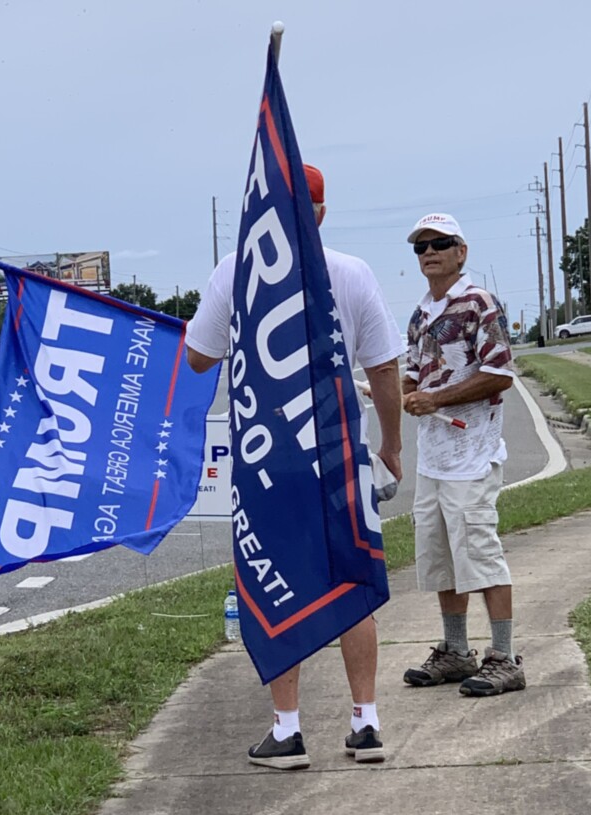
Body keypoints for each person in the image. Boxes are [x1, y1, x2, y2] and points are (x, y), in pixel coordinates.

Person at [185, 165, 404, 770]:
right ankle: (366, 722)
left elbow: (199, 357)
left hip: (267, 465)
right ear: (323, 213)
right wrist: (391, 445)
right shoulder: (353, 272)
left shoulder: (233, 271)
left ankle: (287, 729)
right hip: (338, 457)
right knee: (351, 582)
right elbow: (384, 369)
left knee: (273, 582)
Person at [400, 212, 525, 697]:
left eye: (440, 243)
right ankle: (455, 652)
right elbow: (413, 372)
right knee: (441, 556)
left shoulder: (478, 304)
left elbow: (500, 374)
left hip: (472, 454)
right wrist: (408, 392)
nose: (429, 252)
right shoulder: (419, 313)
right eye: (420, 246)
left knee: (480, 553)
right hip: (433, 457)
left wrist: (437, 399)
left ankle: (505, 657)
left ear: (461, 251)